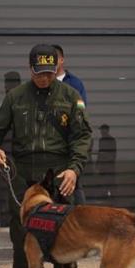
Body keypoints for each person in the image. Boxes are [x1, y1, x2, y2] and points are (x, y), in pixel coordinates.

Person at [0, 44, 92, 268]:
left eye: (49, 73)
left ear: (57, 68)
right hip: (24, 173)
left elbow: (82, 137)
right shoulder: (15, 97)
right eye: (39, 73)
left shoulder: (71, 96)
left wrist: (74, 169)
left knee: (67, 233)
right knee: (22, 234)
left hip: (59, 173)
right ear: (30, 69)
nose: (44, 78)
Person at [52, 45, 89, 205]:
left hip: (71, 142)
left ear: (62, 59)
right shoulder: (43, 82)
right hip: (52, 145)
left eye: (54, 59)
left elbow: (82, 110)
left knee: (74, 184)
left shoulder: (75, 84)